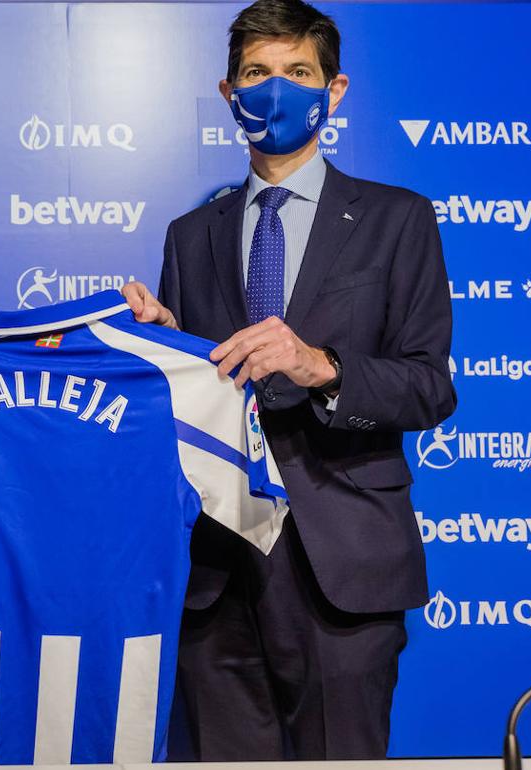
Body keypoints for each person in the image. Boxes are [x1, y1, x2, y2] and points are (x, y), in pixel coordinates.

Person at [123, 0, 456, 760]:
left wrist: (324, 369)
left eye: (298, 73)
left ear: (334, 91)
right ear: (228, 93)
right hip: (217, 569)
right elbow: (200, 388)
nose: (277, 89)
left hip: (345, 563)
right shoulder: (190, 234)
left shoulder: (397, 219)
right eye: (257, 73)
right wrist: (167, 353)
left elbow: (429, 387)